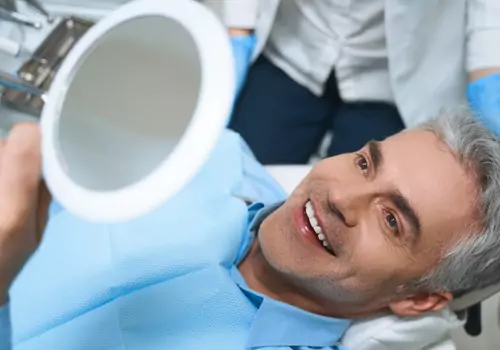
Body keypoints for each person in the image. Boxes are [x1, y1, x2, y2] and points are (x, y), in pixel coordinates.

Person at [1, 108, 500, 349]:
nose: (341, 196)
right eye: (366, 162)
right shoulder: (209, 156)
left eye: (391, 220)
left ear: (419, 300)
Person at [224, 0, 500, 164]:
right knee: (234, 176)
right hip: (294, 47)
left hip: (389, 81)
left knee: (357, 219)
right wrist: (236, 27)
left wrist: (489, 62)